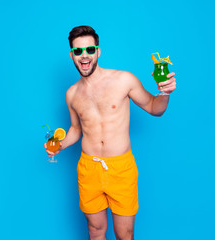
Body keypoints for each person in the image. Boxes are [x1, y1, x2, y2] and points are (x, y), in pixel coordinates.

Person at [44, 26, 176, 240]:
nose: (84, 55)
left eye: (89, 49)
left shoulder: (124, 80)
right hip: (89, 169)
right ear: (72, 55)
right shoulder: (71, 94)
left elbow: (155, 108)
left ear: (98, 51)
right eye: (78, 51)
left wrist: (164, 92)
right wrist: (59, 145)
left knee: (125, 234)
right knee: (95, 231)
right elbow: (76, 130)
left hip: (120, 169)